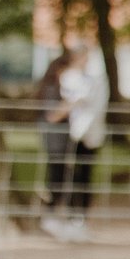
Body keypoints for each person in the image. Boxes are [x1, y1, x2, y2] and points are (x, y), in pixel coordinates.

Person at [40, 41, 107, 242]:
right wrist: (69, 106)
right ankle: (57, 217)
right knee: (63, 176)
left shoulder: (91, 80)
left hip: (86, 135)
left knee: (81, 177)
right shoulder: (65, 82)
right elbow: (54, 114)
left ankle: (77, 220)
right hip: (68, 137)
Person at [32, 49, 71, 228]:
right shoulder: (51, 89)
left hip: (61, 138)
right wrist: (72, 104)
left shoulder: (58, 89)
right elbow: (52, 115)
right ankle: (49, 213)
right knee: (55, 174)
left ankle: (55, 213)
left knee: (61, 174)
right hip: (54, 138)